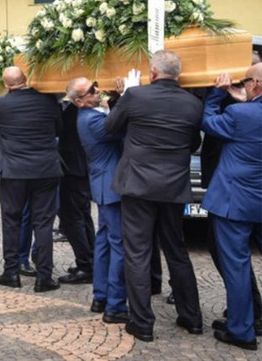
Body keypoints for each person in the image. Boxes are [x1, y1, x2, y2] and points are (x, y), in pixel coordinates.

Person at [105, 50, 203, 342]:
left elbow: (111, 128)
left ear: (153, 73)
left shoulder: (136, 97)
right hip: (173, 187)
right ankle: (192, 317)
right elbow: (193, 142)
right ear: (178, 75)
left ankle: (142, 322)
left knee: (137, 252)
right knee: (176, 249)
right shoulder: (193, 103)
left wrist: (125, 97)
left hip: (138, 185)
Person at [201, 65, 262, 351]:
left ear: (257, 84)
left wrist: (217, 94)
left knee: (236, 267)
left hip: (234, 202)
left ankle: (242, 331)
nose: (244, 84)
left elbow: (208, 121)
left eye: (247, 81)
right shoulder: (246, 111)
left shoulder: (241, 114)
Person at [0, 66, 62, 292]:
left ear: (6, 84)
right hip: (46, 169)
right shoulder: (49, 101)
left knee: (12, 221)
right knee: (44, 223)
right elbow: (59, 128)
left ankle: (11, 272)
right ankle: (44, 277)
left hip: (14, 170)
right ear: (26, 79)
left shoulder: (0, 103)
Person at [69, 77, 127, 323]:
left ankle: (100, 296)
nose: (98, 90)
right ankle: (115, 305)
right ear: (80, 101)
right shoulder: (92, 119)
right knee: (119, 245)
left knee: (104, 242)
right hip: (111, 186)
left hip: (104, 184)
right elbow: (120, 128)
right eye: (92, 90)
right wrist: (126, 97)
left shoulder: (90, 114)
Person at [56, 95, 95, 284]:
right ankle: (91, 261)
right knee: (83, 216)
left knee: (73, 219)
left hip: (73, 170)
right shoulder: (84, 110)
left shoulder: (72, 111)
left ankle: (86, 265)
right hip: (81, 169)